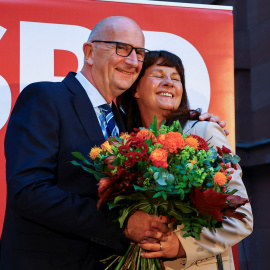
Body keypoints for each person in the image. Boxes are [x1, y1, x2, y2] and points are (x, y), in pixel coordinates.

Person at [0, 16, 228, 270]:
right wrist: (123, 223)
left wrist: (193, 119)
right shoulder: (46, 97)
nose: (132, 61)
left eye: (140, 53)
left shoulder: (127, 126)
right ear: (89, 52)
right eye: (121, 48)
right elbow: (29, 191)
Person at [117, 50, 253, 269]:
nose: (169, 83)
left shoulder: (204, 130)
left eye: (176, 78)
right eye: (159, 75)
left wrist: (182, 246)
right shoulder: (123, 145)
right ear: (135, 89)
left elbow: (241, 218)